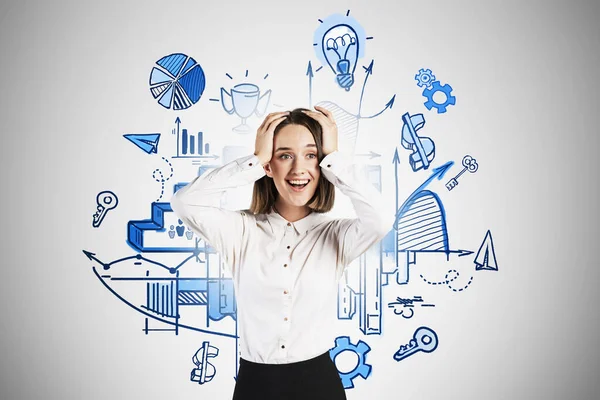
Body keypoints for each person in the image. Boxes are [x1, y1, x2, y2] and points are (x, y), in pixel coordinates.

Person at [170, 106, 393, 400]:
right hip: (256, 384)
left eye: (311, 155)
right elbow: (185, 203)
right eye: (284, 155)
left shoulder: (336, 235)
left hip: (319, 384)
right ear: (269, 166)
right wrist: (253, 161)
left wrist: (335, 158)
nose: (298, 169)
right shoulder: (240, 230)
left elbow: (381, 219)